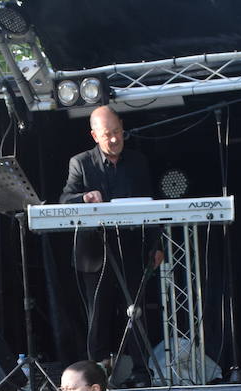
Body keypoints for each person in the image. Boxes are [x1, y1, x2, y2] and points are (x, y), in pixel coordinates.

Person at [59, 105, 161, 367]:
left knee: (136, 311)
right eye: (107, 135)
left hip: (131, 247)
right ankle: (98, 371)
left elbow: (151, 208)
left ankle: (142, 371)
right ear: (95, 136)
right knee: (98, 314)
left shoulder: (138, 161)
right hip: (94, 252)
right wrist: (84, 197)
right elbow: (64, 199)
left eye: (117, 132)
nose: (114, 139)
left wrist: (156, 245)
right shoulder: (80, 163)